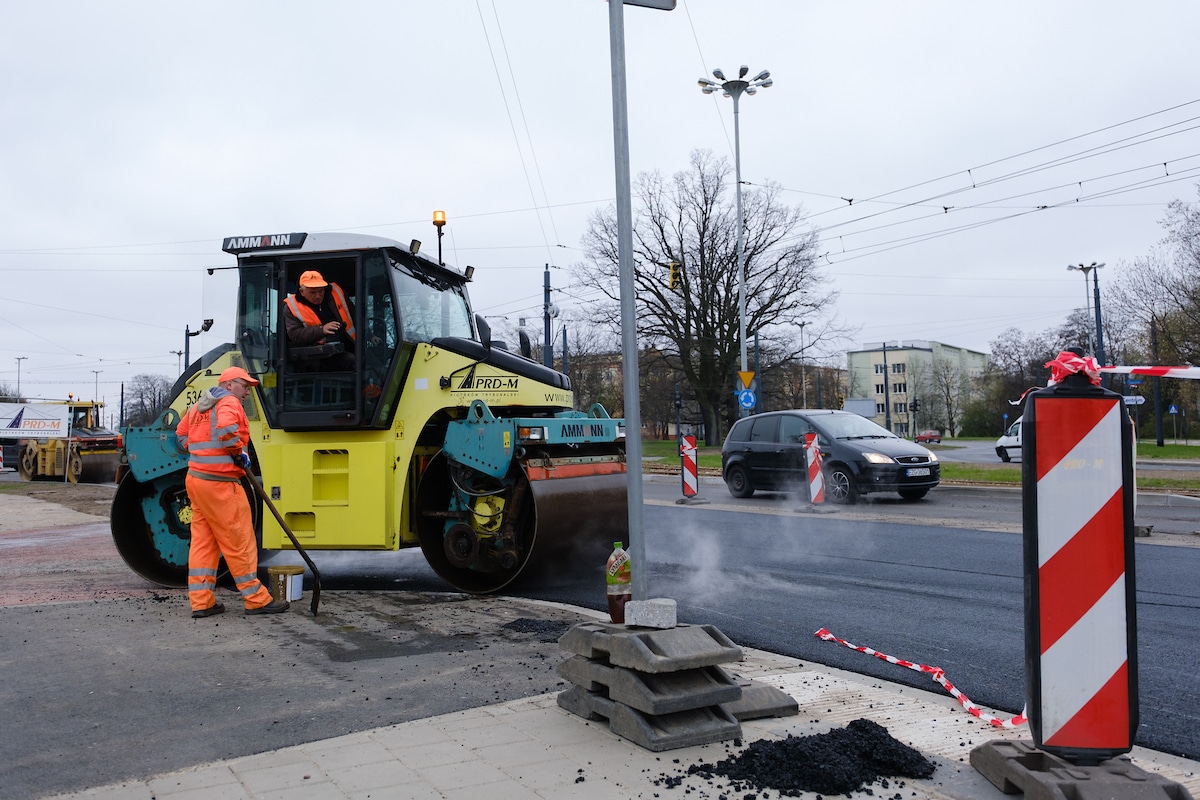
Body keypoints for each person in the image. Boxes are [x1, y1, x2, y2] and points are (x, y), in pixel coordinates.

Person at [175, 366, 289, 618]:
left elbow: (181, 436)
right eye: (243, 385)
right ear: (228, 385)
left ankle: (202, 601)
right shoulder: (229, 402)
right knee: (240, 540)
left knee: (204, 543)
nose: (246, 391)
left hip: (196, 481)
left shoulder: (199, 406)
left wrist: (203, 454)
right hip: (220, 484)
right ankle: (256, 598)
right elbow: (227, 430)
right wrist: (239, 453)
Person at [283, 270, 357, 370]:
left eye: (321, 291)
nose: (318, 296)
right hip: (314, 357)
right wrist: (321, 330)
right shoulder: (292, 307)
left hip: (347, 346)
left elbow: (355, 315)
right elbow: (295, 334)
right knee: (350, 360)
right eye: (313, 292)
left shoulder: (336, 293)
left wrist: (369, 335)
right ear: (302, 292)